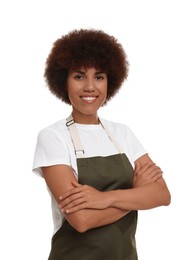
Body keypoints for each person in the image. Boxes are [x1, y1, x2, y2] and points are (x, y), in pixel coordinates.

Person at [32, 29, 171, 260]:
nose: (90, 87)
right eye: (79, 76)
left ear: (110, 81)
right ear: (63, 82)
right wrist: (137, 194)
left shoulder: (123, 133)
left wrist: (103, 198)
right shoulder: (53, 137)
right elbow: (81, 220)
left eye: (99, 76)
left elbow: (162, 195)